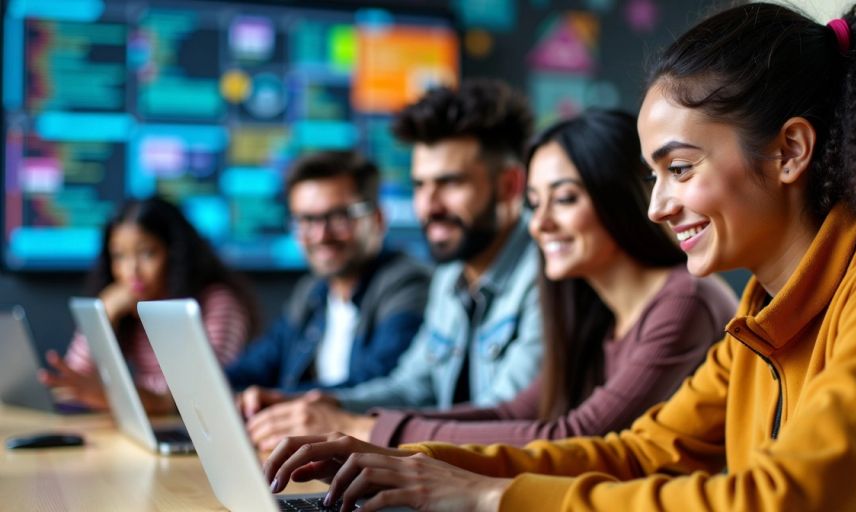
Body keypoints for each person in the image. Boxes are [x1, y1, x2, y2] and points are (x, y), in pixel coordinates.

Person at [262, 2, 856, 510]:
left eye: (680, 168)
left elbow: (787, 498)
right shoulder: (763, 317)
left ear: (791, 151)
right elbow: (639, 453)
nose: (657, 206)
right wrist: (429, 476)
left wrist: (489, 499)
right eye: (653, 175)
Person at [304, 110, 738, 448]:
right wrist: (363, 425)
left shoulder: (685, 301)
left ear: (617, 198)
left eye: (564, 199)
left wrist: (373, 431)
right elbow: (517, 412)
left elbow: (579, 435)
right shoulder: (591, 308)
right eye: (535, 202)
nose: (540, 224)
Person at [242, 79, 545, 451]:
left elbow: (504, 418)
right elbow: (414, 386)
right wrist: (319, 406)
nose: (428, 207)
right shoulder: (450, 274)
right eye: (420, 186)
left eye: (449, 183)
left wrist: (352, 424)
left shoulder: (547, 273)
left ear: (511, 185)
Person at [225, 151, 431, 397]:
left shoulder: (407, 284)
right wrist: (183, 395)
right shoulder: (312, 291)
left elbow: (381, 382)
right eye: (307, 220)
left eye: (339, 217)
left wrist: (281, 401)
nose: (321, 236)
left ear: (377, 219)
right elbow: (254, 367)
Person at [39, 196, 260, 414]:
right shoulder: (129, 306)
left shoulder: (217, 302)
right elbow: (73, 383)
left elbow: (203, 392)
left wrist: (113, 394)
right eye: (119, 256)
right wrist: (104, 315)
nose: (131, 270)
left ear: (175, 254)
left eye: (147, 253)